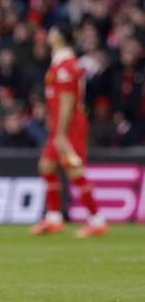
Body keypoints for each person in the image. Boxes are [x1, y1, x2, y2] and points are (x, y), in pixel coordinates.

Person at [31, 23, 108, 238]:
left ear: (59, 37)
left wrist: (61, 133)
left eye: (52, 31)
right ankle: (54, 217)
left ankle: (97, 220)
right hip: (60, 125)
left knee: (74, 169)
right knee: (47, 166)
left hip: (70, 126)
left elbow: (67, 101)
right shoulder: (59, 62)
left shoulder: (66, 65)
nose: (49, 34)